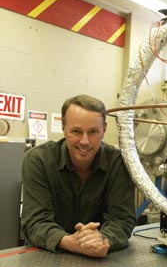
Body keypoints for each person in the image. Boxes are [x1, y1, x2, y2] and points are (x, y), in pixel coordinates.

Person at [21, 94, 136, 258]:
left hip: (98, 252)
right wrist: (70, 242)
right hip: (46, 254)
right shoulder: (38, 160)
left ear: (104, 130)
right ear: (63, 128)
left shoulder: (119, 163)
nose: (85, 141)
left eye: (93, 132)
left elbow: (122, 219)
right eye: (76, 131)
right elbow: (35, 222)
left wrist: (103, 238)